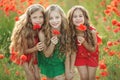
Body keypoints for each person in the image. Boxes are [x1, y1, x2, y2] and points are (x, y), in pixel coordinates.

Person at [9, 4, 45, 80]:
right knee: (30, 76)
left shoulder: (42, 27)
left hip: (34, 52)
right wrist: (36, 48)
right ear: (29, 19)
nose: (38, 20)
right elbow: (24, 50)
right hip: (22, 52)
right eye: (34, 17)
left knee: (37, 77)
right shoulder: (24, 32)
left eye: (41, 17)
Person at [37, 4, 71, 80]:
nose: (54, 21)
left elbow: (67, 53)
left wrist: (68, 71)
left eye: (57, 17)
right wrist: (52, 44)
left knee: (59, 78)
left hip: (60, 61)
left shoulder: (65, 30)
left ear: (61, 17)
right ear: (46, 20)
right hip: (48, 62)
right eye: (51, 18)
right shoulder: (42, 33)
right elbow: (46, 54)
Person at [67, 5, 100, 80]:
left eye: (80, 16)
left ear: (85, 18)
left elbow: (93, 49)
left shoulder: (92, 31)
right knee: (84, 77)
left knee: (91, 78)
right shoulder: (71, 32)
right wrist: (70, 67)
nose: (78, 18)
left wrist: (84, 42)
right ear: (71, 19)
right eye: (75, 16)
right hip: (79, 57)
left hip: (92, 56)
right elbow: (72, 51)